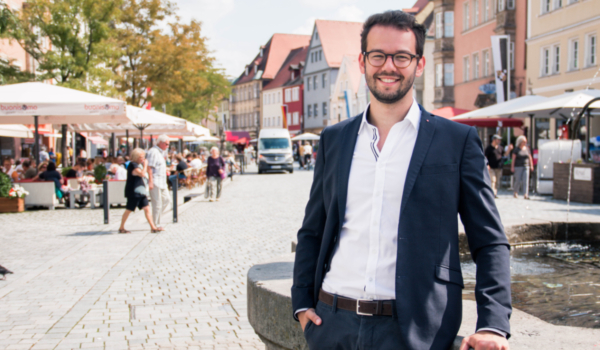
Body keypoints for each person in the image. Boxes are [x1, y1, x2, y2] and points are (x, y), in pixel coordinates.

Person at [292, 11, 510, 350]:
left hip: (413, 332)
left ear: (419, 64)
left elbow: (490, 241)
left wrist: (493, 325)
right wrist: (302, 302)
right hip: (332, 324)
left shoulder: (457, 141)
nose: (389, 66)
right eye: (378, 56)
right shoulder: (335, 139)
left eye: (401, 56)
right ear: (363, 62)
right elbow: (313, 229)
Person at [118, 148, 163, 234]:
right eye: (141, 157)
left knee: (147, 208)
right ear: (136, 157)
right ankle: (121, 227)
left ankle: (153, 227)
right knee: (129, 209)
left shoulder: (138, 164)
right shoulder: (133, 165)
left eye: (143, 157)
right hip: (134, 191)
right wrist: (145, 165)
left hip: (141, 191)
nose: (143, 159)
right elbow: (142, 173)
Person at [146, 135, 171, 227]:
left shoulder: (161, 152)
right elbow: (149, 167)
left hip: (162, 182)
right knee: (157, 204)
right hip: (156, 181)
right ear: (160, 143)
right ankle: (155, 225)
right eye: (167, 144)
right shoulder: (153, 152)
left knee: (167, 200)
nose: (168, 146)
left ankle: (154, 220)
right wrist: (151, 181)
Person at [511, 135, 534, 199]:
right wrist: (512, 167)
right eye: (523, 142)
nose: (524, 143)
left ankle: (525, 194)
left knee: (525, 180)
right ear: (520, 142)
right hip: (518, 166)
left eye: (525, 142)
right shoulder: (516, 149)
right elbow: (513, 159)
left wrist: (531, 165)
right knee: (517, 180)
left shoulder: (527, 149)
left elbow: (530, 157)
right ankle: (515, 192)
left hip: (526, 166)